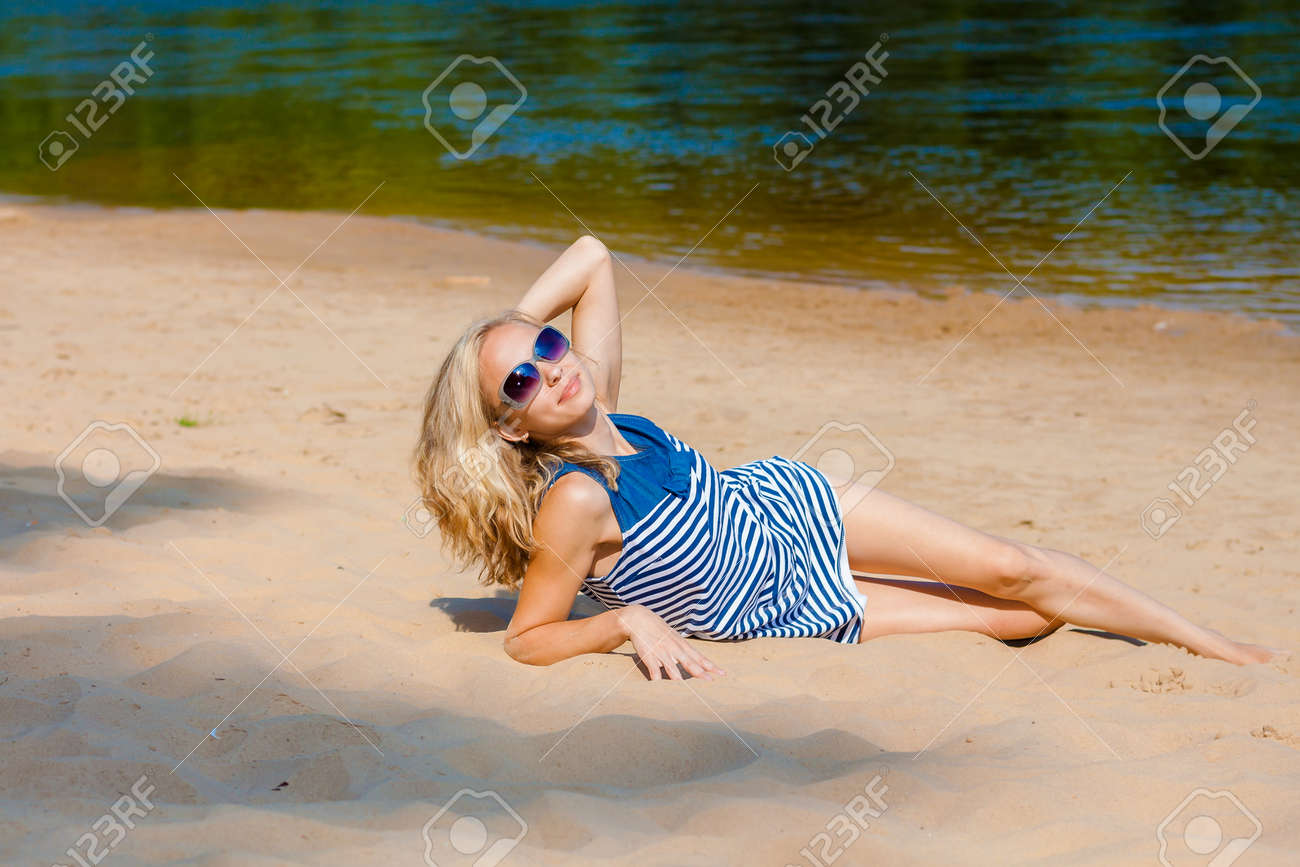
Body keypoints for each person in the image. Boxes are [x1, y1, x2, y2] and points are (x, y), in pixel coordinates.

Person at [412, 235, 1283, 680]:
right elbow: (527, 640)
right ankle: (1143, 627)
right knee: (1019, 617)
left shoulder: (594, 387)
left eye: (549, 350)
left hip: (791, 504)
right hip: (784, 599)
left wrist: (495, 338)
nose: (551, 374)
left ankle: (1212, 645)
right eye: (520, 385)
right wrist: (625, 622)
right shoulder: (573, 500)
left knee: (1009, 563)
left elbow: (596, 255)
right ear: (511, 429)